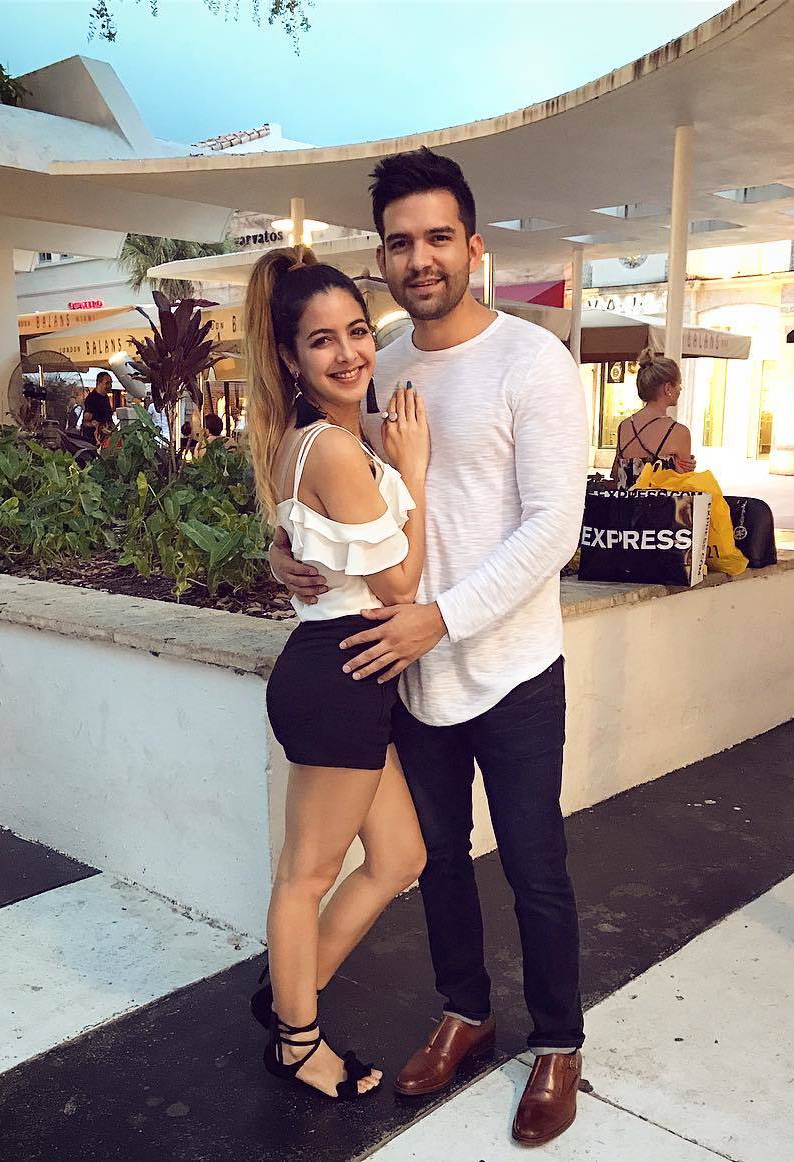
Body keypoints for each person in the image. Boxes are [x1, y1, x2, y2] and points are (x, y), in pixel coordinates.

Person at [270, 148, 588, 1147]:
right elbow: (346, 496)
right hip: (408, 674)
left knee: (534, 865)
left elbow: (554, 529)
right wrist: (287, 553)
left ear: (473, 246)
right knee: (439, 860)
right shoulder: (381, 361)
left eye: (439, 237)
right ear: (382, 256)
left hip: (512, 665)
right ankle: (465, 1011)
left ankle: (558, 1041)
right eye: (401, 242)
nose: (421, 258)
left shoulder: (533, 361)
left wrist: (439, 617)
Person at [247, 246, 430, 1102]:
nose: (350, 352)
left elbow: (313, 551)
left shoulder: (322, 440)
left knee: (399, 856)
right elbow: (398, 587)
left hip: (345, 671)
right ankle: (298, 1042)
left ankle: (290, 990)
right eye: (322, 341)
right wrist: (415, 474)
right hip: (339, 675)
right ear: (291, 359)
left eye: (358, 331)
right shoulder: (332, 450)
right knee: (306, 875)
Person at [611, 350, 696, 488]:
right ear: (667, 388)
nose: (680, 389)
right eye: (678, 384)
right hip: (663, 502)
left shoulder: (624, 426)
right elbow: (683, 485)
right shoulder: (679, 432)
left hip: (625, 502)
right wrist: (685, 469)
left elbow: (615, 474)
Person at [82, 371, 114, 444]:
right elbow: (86, 422)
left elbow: (109, 418)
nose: (110, 386)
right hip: (92, 440)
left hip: (105, 438)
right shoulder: (91, 399)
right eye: (107, 383)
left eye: (110, 383)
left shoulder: (106, 398)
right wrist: (97, 426)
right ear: (99, 383)